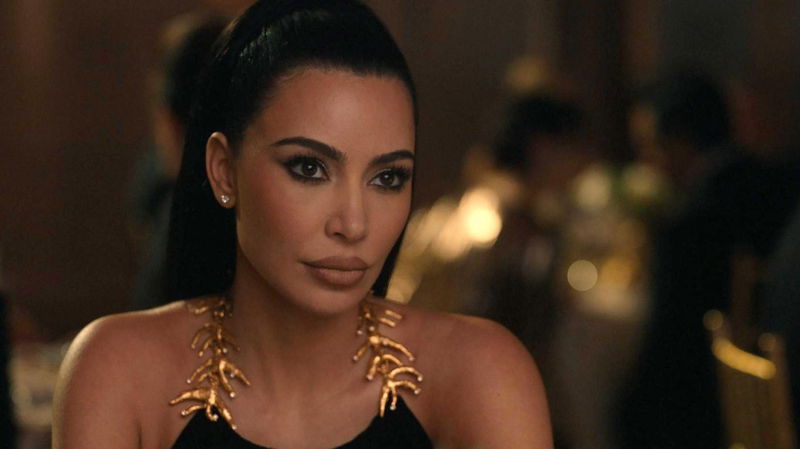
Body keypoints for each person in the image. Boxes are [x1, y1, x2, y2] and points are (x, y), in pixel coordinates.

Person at [52, 1, 552, 448]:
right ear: (224, 170)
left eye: (387, 178)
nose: (353, 224)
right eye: (309, 168)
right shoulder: (118, 372)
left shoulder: (480, 374)